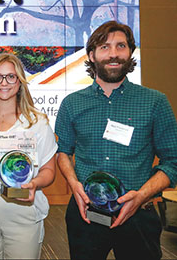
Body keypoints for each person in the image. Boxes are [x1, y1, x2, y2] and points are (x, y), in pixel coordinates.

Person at [55, 21, 177, 260]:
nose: (113, 54)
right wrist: (73, 183)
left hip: (139, 216)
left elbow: (173, 161)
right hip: (86, 214)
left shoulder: (155, 102)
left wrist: (141, 195)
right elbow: (63, 153)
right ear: (91, 55)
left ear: (130, 52)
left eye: (120, 46)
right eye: (104, 47)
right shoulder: (72, 104)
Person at [0, 53, 57, 259]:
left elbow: (49, 171)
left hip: (22, 205)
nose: (4, 83)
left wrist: (34, 184)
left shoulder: (37, 123)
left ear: (20, 82)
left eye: (11, 77)